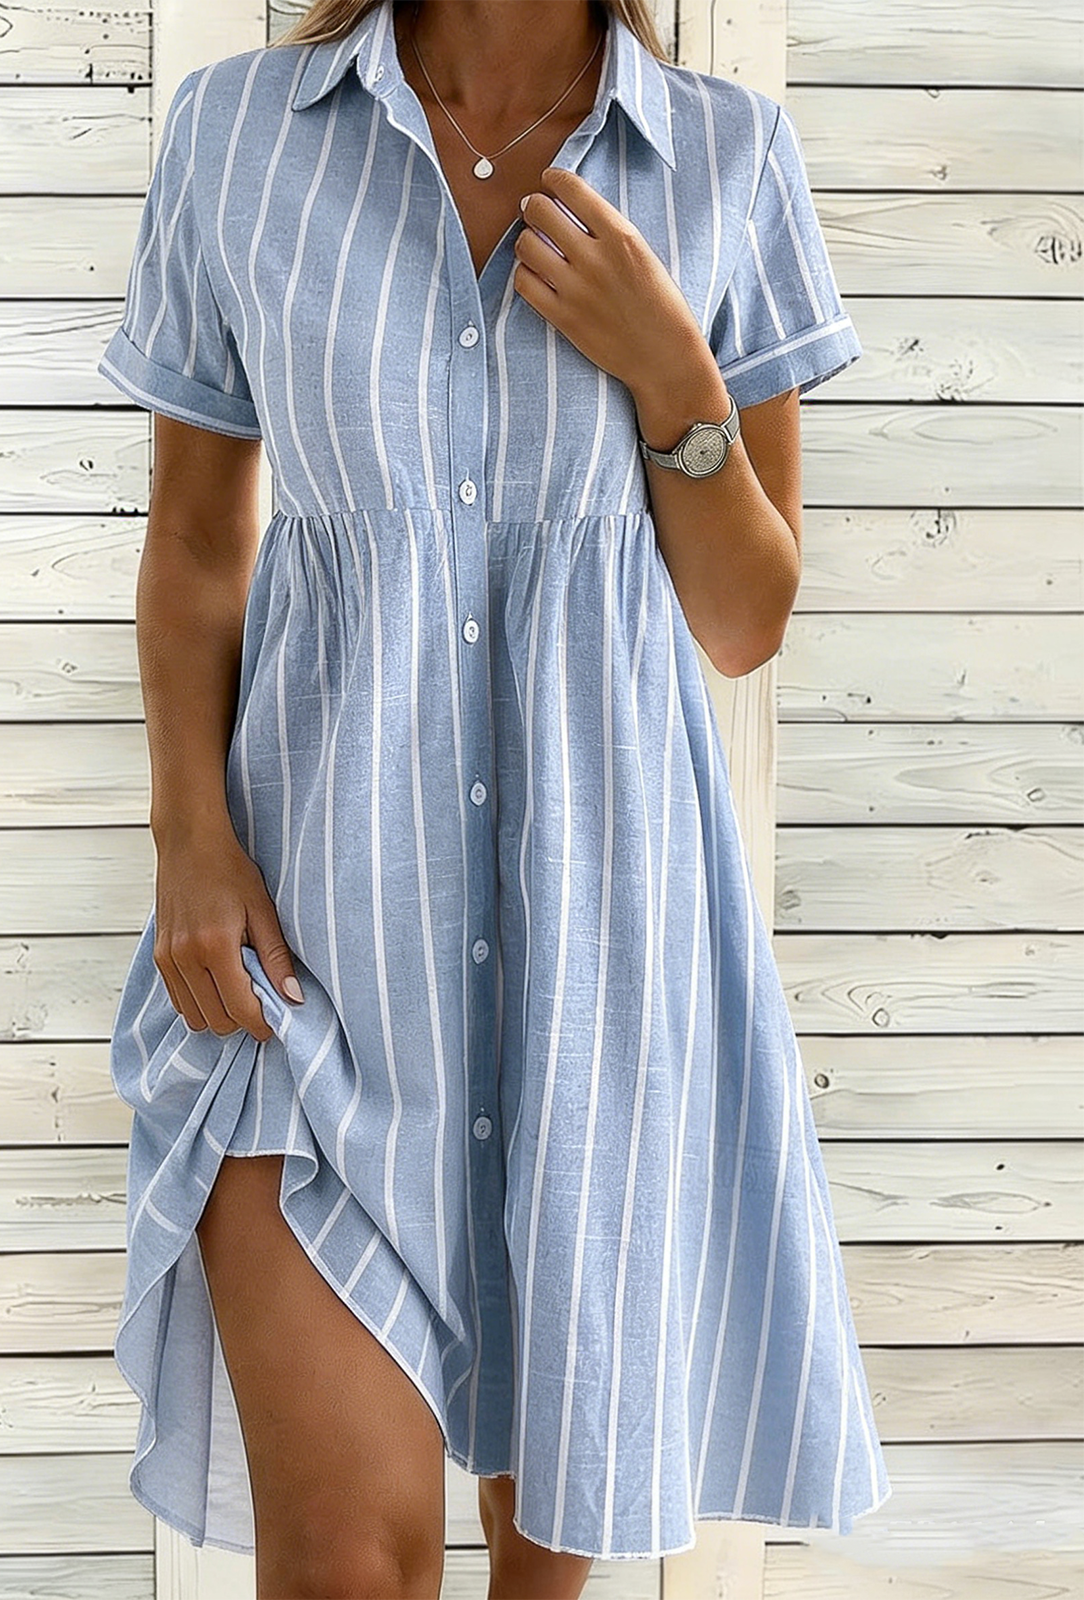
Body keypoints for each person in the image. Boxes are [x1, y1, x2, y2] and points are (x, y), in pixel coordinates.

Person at [96, 0, 891, 1595]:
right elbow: (193, 536)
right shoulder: (239, 135)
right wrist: (190, 839)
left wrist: (674, 377)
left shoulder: (725, 158)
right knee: (346, 1567)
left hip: (597, 969)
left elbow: (745, 617)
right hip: (307, 948)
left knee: (545, 1574)